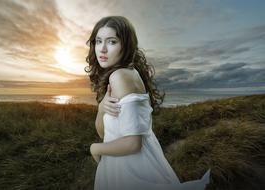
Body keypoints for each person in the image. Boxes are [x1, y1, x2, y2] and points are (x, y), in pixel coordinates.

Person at [85, 16, 211, 190]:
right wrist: (101, 110)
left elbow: (132, 143)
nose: (103, 49)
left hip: (129, 170)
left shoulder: (119, 77)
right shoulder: (128, 73)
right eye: (98, 41)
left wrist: (95, 149)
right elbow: (105, 133)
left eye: (112, 42)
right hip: (135, 162)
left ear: (126, 45)